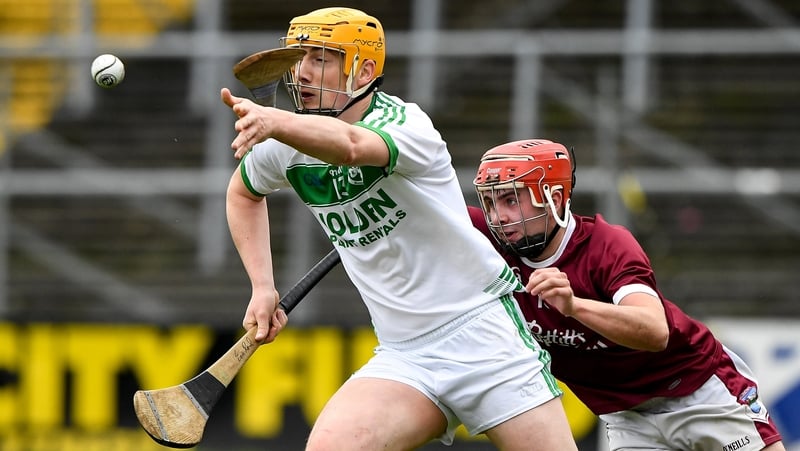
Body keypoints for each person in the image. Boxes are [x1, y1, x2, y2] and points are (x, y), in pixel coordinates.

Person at [219, 7, 579, 451]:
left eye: (321, 58)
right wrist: (261, 286)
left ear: (365, 70)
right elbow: (243, 194)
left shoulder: (407, 125)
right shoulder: (285, 143)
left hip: (482, 336)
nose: (304, 73)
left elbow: (351, 147)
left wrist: (276, 122)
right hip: (404, 354)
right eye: (300, 58)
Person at [470, 138, 786, 451]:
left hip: (697, 391)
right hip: (626, 418)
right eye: (491, 202)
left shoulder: (606, 245)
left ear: (553, 197)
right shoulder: (490, 242)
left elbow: (654, 330)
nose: (498, 217)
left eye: (511, 200)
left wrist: (574, 306)